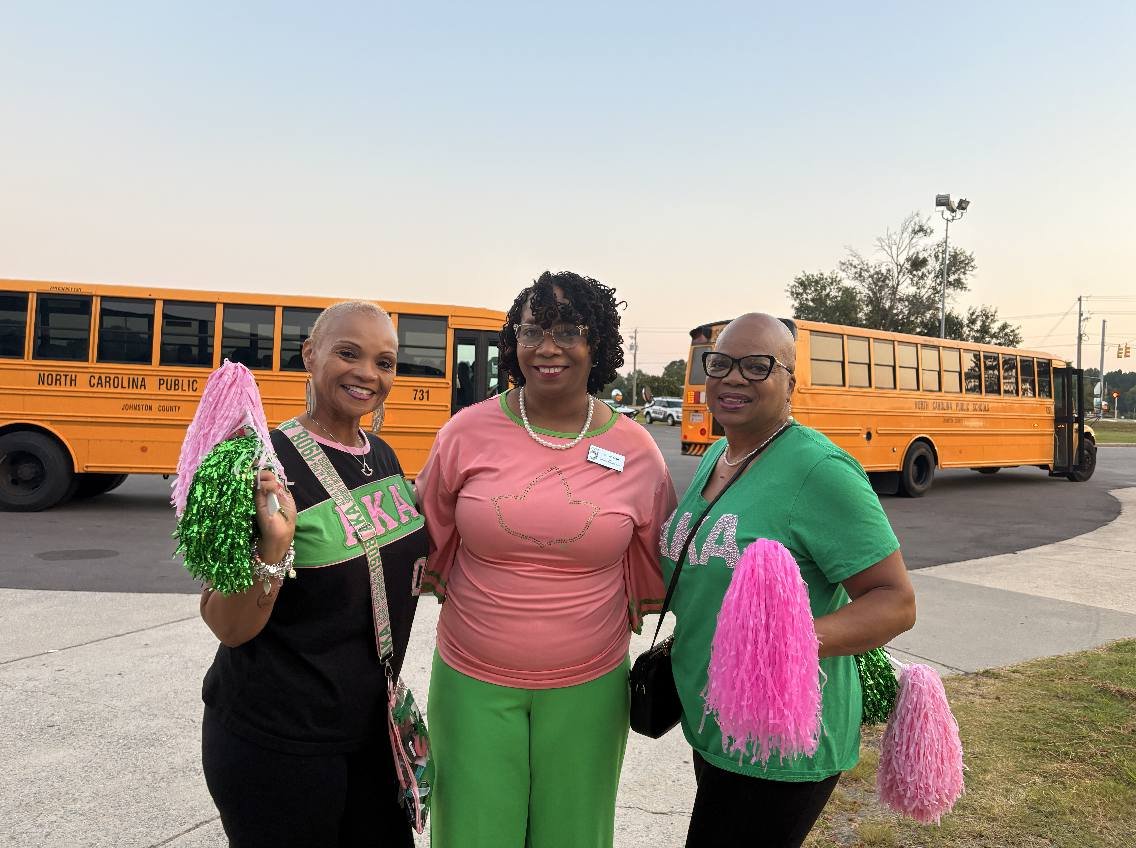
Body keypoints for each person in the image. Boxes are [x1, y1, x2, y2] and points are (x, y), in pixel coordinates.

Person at [415, 271, 677, 848]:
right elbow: (420, 542)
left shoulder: (637, 451)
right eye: (532, 330)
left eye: (567, 331)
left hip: (589, 688)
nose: (547, 347)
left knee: (574, 836)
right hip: (469, 682)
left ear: (599, 344)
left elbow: (663, 559)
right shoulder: (464, 433)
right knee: (471, 835)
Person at [661, 313, 917, 848]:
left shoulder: (819, 469)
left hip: (781, 738)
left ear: (791, 383)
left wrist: (784, 643)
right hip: (718, 723)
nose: (734, 378)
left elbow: (895, 601)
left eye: (757, 367)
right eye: (722, 364)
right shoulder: (721, 455)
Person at [198, 301, 426, 848]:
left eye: (385, 362)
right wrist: (275, 547)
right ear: (310, 355)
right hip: (279, 739)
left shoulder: (385, 455)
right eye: (348, 353)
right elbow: (227, 624)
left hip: (372, 732)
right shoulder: (255, 462)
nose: (368, 373)